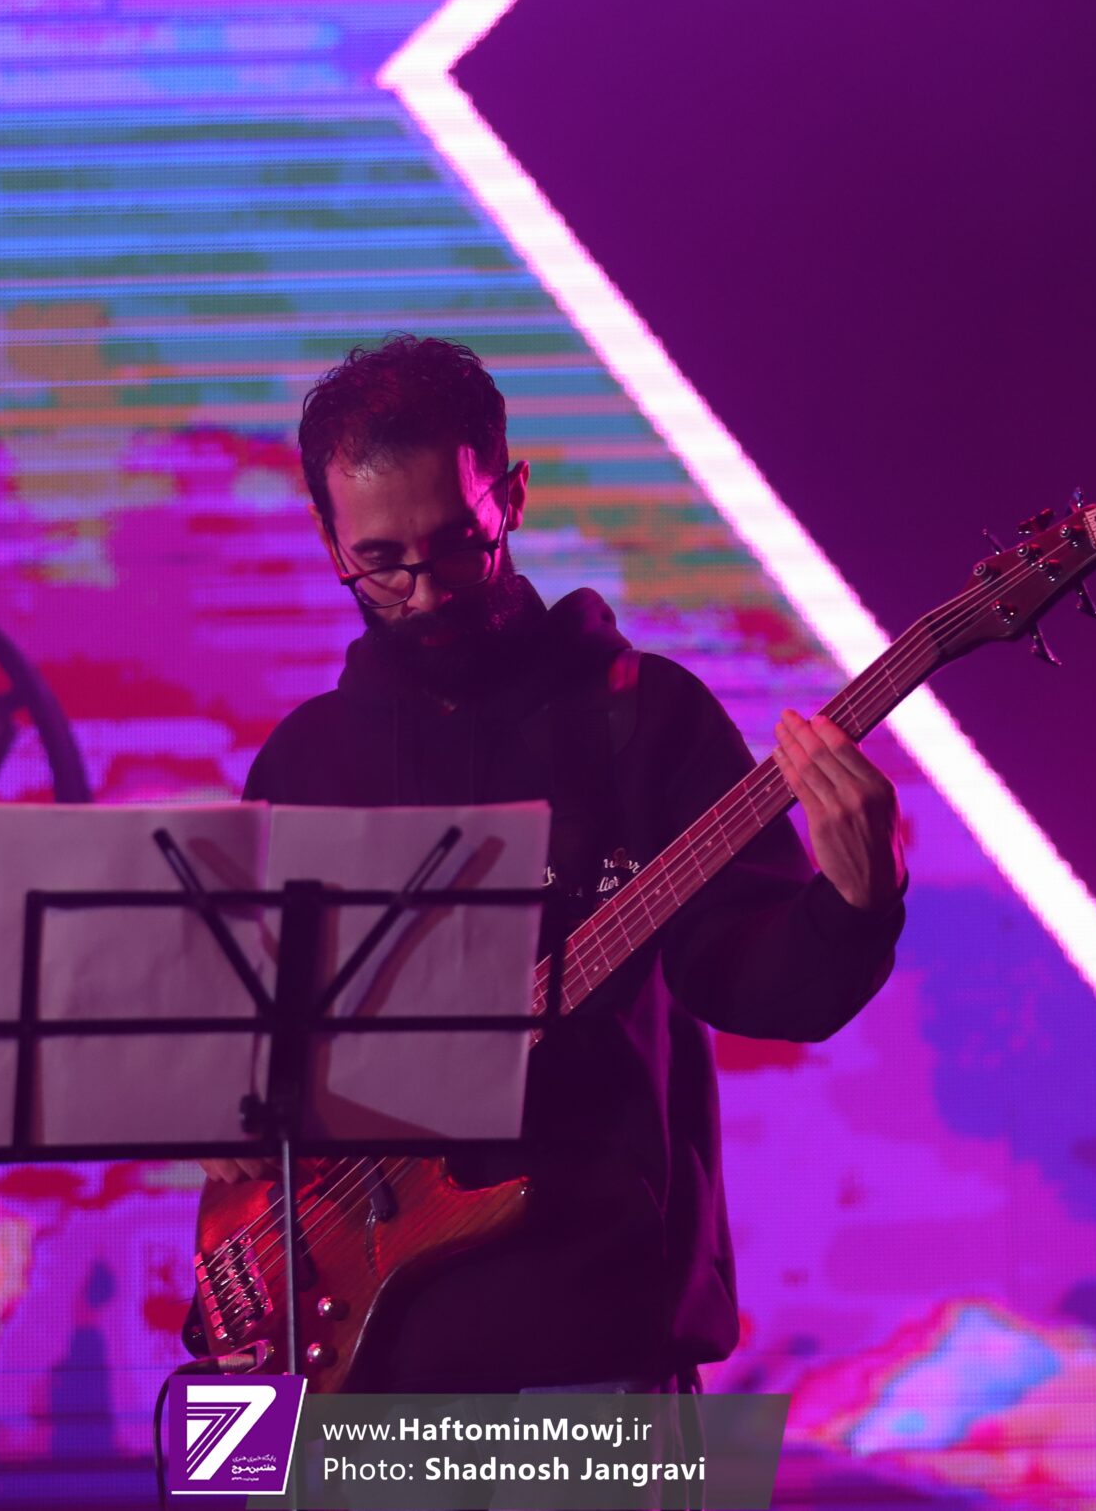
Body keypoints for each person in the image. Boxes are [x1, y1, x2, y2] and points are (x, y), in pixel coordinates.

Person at [202, 334, 908, 1395]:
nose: (424, 594)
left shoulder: (644, 718)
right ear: (326, 536)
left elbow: (756, 984)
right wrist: (222, 1109)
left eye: (457, 547)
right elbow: (249, 1033)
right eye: (381, 562)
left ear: (513, 498)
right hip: (351, 1351)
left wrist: (855, 902)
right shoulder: (306, 760)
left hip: (590, 1348)